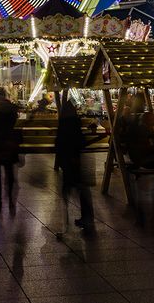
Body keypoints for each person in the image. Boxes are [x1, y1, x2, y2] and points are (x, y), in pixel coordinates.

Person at [55, 99, 95, 233]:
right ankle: (87, 217)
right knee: (82, 190)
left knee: (68, 189)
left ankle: (65, 221)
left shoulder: (63, 124)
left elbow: (60, 143)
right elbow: (81, 141)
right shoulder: (76, 123)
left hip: (68, 161)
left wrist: (61, 159)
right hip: (76, 160)